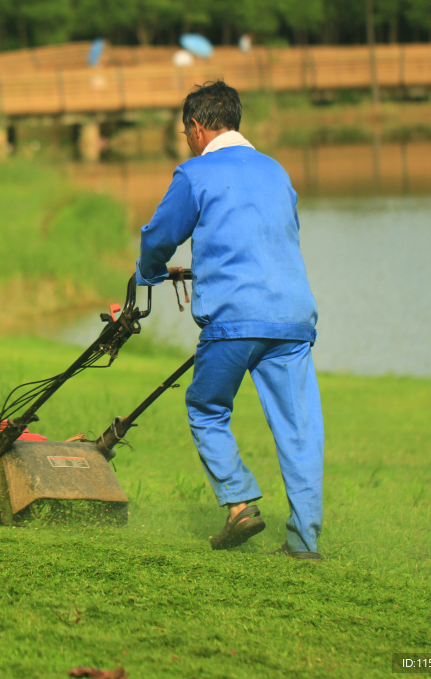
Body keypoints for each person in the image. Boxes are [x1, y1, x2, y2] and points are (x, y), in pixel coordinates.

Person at [136, 81, 325, 562]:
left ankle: (239, 502)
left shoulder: (196, 173)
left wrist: (151, 271)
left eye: (185, 133)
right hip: (292, 319)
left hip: (233, 319)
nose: (187, 142)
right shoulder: (276, 171)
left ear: (197, 128)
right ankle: (304, 545)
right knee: (299, 431)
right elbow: (280, 236)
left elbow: (161, 234)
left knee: (206, 407)